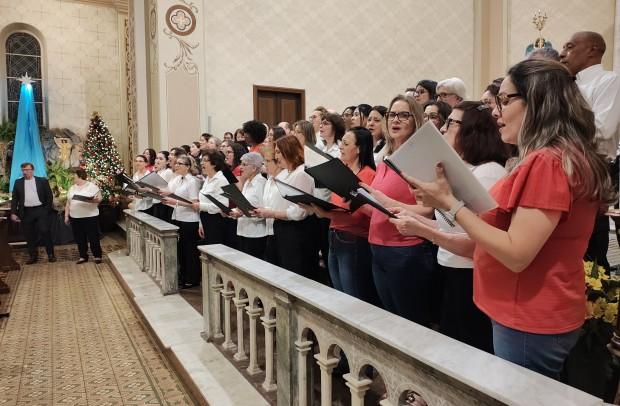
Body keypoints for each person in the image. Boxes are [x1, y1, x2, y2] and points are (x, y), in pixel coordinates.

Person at [404, 59, 613, 379]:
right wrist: (442, 207)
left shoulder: (548, 162)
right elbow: (500, 233)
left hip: (528, 313)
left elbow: (516, 253)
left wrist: (450, 203)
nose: (495, 112)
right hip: (533, 309)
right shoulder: (562, 156)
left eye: (504, 100)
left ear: (538, 101)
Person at [390, 101, 509, 353]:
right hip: (451, 269)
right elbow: (449, 226)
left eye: (451, 123)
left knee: (470, 348)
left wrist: (421, 231)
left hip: (471, 275)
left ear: (472, 130)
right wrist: (415, 220)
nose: (443, 128)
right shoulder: (466, 170)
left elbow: (475, 242)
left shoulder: (488, 173)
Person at [364, 95, 436, 326]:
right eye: (392, 115)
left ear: (416, 120)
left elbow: (428, 210)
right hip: (378, 246)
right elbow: (380, 206)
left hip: (405, 250)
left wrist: (387, 202)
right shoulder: (385, 158)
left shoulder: (420, 159)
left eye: (404, 115)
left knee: (411, 323)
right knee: (392, 320)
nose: (396, 120)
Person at [560, 31, 620, 271]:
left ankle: (596, 287)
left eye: (569, 46)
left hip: (593, 168)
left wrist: (559, 133)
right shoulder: (566, 85)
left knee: (591, 244)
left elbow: (603, 129)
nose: (562, 53)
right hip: (564, 164)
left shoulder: (608, 81)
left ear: (592, 50)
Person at [304, 127, 380, 305]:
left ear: (359, 149)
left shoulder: (368, 175)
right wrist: (320, 209)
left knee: (353, 296)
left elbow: (362, 214)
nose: (340, 147)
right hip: (334, 234)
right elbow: (338, 206)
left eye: (346, 143)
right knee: (339, 293)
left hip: (354, 238)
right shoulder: (341, 171)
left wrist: (326, 213)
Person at [254, 136, 316, 278]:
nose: (276, 157)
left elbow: (299, 212)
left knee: (294, 273)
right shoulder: (289, 173)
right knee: (281, 272)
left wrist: (272, 213)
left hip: (296, 230)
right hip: (283, 227)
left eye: (278, 152)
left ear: (288, 151)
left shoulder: (301, 173)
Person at [160, 156, 201, 288]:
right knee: (181, 249)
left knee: (190, 251)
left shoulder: (192, 181)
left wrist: (175, 202)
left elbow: (194, 203)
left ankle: (192, 278)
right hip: (178, 217)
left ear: (187, 167)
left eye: (180, 164)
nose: (176, 165)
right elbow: (170, 192)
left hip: (190, 219)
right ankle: (183, 276)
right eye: (176, 163)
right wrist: (156, 192)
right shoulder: (178, 179)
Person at [10, 162, 56, 264]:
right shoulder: (18, 182)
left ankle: (51, 255)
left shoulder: (42, 181)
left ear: (32, 170)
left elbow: (49, 196)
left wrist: (46, 209)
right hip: (26, 212)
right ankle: (33, 256)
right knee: (29, 235)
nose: (25, 172)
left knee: (45, 231)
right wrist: (13, 212)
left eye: (27, 170)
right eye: (23, 170)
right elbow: (15, 199)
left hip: (40, 210)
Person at [230, 152, 267, 258]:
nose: (240, 167)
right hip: (243, 231)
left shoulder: (261, 183)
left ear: (254, 168)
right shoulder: (247, 182)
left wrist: (243, 213)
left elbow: (263, 211)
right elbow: (243, 205)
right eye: (241, 164)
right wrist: (234, 212)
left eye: (244, 164)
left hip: (255, 234)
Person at [64, 168, 103, 264]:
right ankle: (83, 256)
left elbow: (99, 199)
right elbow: (68, 203)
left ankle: (97, 256)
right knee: (79, 238)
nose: (71, 177)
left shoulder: (92, 186)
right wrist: (66, 215)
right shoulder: (72, 188)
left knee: (93, 237)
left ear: (80, 176)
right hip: (75, 217)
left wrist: (94, 200)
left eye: (73, 175)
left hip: (90, 216)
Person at [194, 150, 231, 245]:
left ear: (214, 164)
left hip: (216, 221)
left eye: (205, 160)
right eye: (201, 160)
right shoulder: (208, 179)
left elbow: (223, 206)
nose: (201, 163)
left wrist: (201, 206)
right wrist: (201, 224)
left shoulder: (221, 180)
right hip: (205, 219)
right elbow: (203, 201)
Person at [152, 151, 175, 222]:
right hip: (157, 201)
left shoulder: (168, 171)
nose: (157, 160)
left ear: (167, 161)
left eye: (161, 159)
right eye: (157, 158)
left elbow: (158, 187)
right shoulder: (159, 171)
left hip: (164, 203)